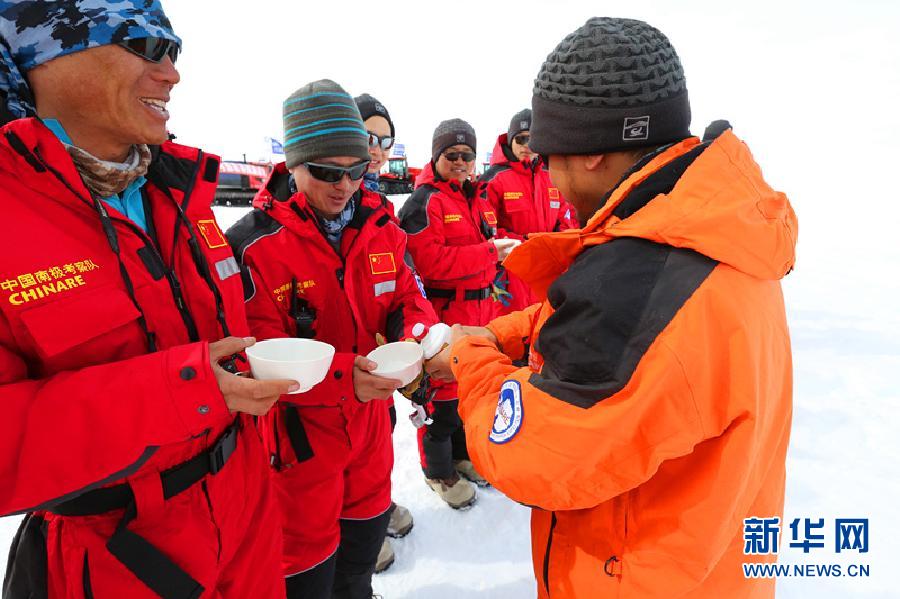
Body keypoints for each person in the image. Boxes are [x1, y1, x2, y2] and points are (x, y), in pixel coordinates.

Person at [428, 17, 797, 598]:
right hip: (714, 566)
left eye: (550, 155)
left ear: (594, 151)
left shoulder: (640, 277)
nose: (546, 174)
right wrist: (509, 332)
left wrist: (472, 358)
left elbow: (534, 457)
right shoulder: (714, 232)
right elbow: (640, 344)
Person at [0, 2, 296, 597]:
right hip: (121, 558)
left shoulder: (181, 193)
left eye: (174, 51)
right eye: (144, 45)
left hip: (249, 521)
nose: (172, 74)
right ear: (45, 57)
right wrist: (175, 392)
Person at [226, 79, 443, 599]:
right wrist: (349, 376)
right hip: (296, 448)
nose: (344, 184)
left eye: (357, 169)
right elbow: (252, 352)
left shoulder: (382, 227)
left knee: (360, 563)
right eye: (326, 171)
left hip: (369, 433)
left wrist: (417, 344)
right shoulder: (252, 245)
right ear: (292, 164)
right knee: (304, 575)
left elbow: (409, 301)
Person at [398, 119, 512, 508]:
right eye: (452, 155)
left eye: (467, 154)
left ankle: (461, 457)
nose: (461, 162)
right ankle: (438, 473)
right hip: (445, 312)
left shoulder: (475, 197)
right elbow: (428, 262)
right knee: (439, 402)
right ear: (436, 156)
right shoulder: (424, 202)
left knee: (465, 395)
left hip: (479, 309)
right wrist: (489, 253)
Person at [353, 92, 414, 574]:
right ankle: (355, 532)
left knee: (380, 434)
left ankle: (376, 507)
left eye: (385, 139)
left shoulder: (381, 208)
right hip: (328, 368)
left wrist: (413, 332)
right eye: (368, 137)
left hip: (376, 363)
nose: (376, 148)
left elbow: (402, 280)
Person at [478, 108, 579, 312]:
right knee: (511, 330)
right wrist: (528, 244)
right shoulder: (493, 179)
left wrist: (558, 244)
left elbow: (565, 217)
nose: (527, 146)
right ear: (510, 140)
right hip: (510, 272)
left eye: (533, 140)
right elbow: (486, 229)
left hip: (548, 268)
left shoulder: (551, 175)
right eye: (521, 139)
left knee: (543, 324)